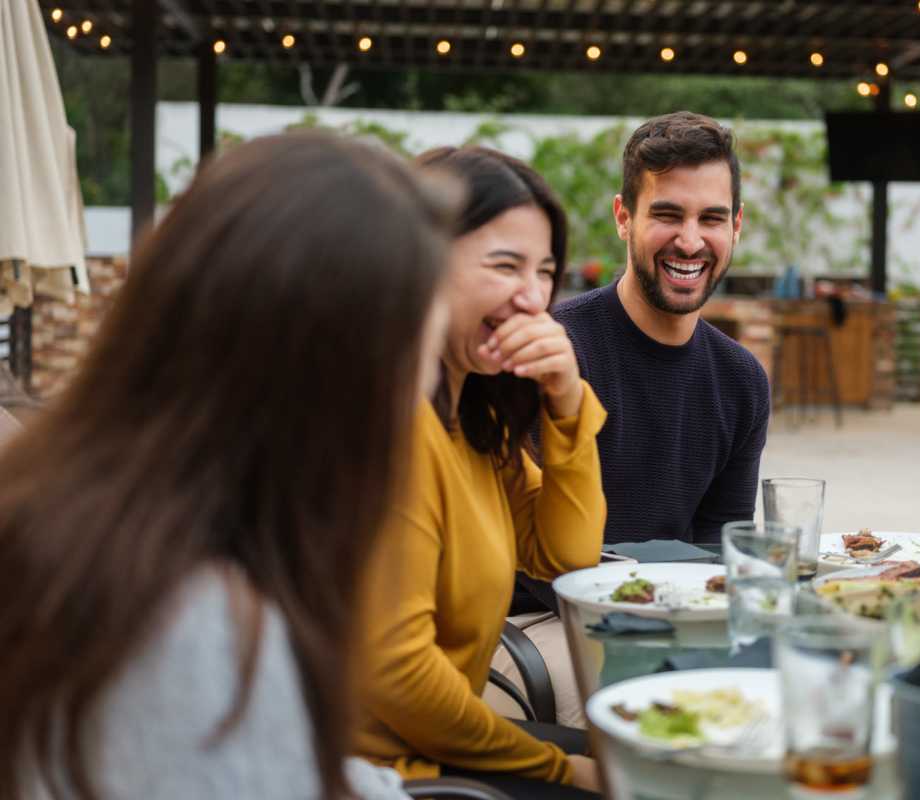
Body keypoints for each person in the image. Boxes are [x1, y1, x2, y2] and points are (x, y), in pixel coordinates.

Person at [0, 132, 454, 799]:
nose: (425, 393)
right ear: (335, 387)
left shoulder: (75, 512)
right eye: (420, 359)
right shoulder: (201, 635)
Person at [354, 146, 605, 798]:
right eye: (505, 265)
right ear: (423, 264)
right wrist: (555, 765)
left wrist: (568, 401)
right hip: (388, 775)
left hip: (443, 748)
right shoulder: (400, 423)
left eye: (546, 271)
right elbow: (401, 674)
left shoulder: (474, 418)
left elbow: (565, 555)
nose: (533, 297)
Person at [551, 110, 771, 545]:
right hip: (547, 610)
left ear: (736, 226)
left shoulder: (742, 381)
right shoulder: (560, 351)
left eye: (711, 218)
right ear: (623, 217)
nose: (690, 242)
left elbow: (720, 548)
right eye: (668, 215)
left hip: (679, 607)